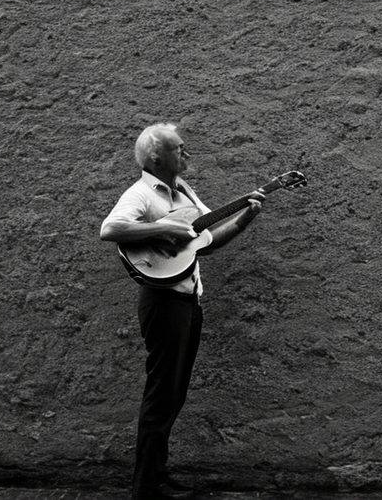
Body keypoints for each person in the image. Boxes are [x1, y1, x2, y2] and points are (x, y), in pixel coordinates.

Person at [101, 123, 264, 500]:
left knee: (173, 394)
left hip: (189, 300)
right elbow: (110, 229)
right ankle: (146, 489)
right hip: (163, 302)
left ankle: (156, 477)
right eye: (180, 148)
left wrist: (245, 217)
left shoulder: (185, 192)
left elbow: (204, 242)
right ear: (157, 157)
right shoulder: (140, 193)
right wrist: (162, 227)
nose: (187, 153)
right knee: (161, 394)